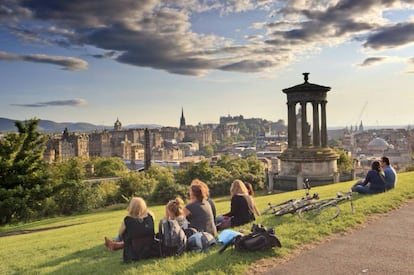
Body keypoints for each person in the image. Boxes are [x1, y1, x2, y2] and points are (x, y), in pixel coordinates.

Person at [104, 197, 158, 262]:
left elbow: (120, 233)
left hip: (134, 253)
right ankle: (115, 244)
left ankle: (115, 243)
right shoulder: (151, 215)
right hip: (151, 249)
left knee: (124, 233)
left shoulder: (128, 220)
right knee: (139, 234)